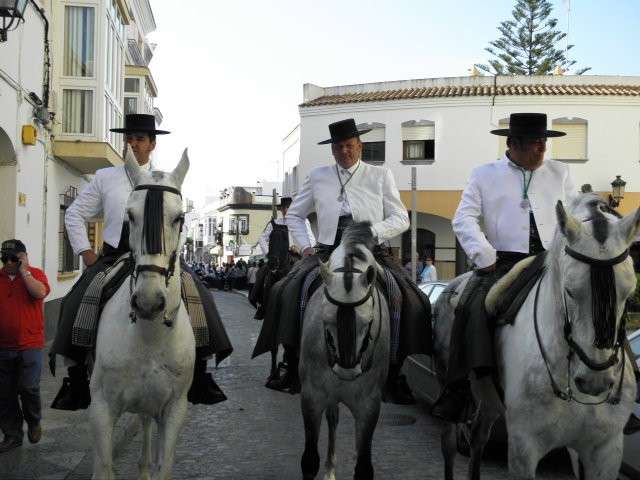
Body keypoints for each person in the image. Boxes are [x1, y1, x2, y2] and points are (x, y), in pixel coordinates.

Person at [49, 114, 232, 410]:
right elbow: (74, 214)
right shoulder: (105, 178)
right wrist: (86, 252)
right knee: (76, 298)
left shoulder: (165, 180)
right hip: (115, 255)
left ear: (152, 144)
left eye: (140, 139)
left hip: (157, 257)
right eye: (130, 139)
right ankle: (76, 379)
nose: (133, 144)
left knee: (199, 294)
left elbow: (178, 223)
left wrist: (172, 256)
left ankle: (199, 372)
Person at [253, 118, 432, 404]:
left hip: (370, 250)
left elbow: (401, 218)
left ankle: (395, 369)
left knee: (409, 297)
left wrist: (372, 232)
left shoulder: (380, 175)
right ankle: (291, 360)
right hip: (327, 250)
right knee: (286, 291)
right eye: (338, 147)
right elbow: (295, 215)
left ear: (359, 146)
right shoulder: (318, 176)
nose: (344, 151)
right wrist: (307, 246)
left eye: (349, 145)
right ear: (332, 150)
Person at [0, 240, 50, 453]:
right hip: (3, 346)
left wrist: (25, 272)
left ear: (23, 257)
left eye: (13, 258)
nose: (8, 262)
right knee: (5, 394)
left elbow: (40, 293)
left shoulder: (35, 274)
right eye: (4, 258)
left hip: (30, 344)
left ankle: (34, 421)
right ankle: (12, 435)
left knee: (29, 387)